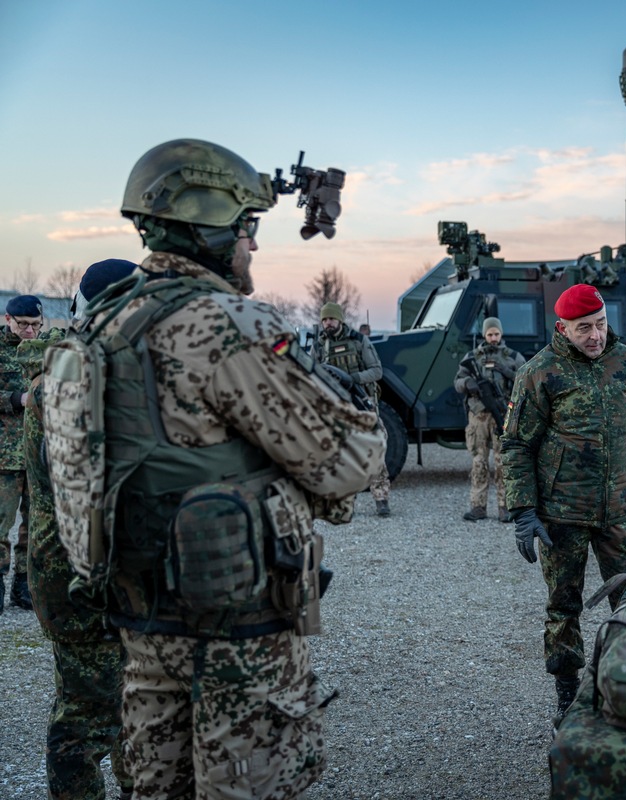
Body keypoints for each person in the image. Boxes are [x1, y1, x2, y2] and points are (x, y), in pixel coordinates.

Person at [46, 138, 386, 800]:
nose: (252, 246)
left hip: (143, 625)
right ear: (210, 227)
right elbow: (347, 463)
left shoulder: (104, 325)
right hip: (237, 628)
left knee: (156, 787)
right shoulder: (223, 325)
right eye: (245, 229)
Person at [501, 283, 626, 717]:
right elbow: (516, 445)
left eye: (600, 324)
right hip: (562, 512)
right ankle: (566, 691)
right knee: (564, 604)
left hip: (619, 509)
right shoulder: (539, 372)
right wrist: (523, 511)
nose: (595, 336)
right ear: (562, 328)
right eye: (584, 329)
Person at [22, 259, 137, 800]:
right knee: (87, 710)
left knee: (134, 700)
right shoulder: (71, 372)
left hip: (108, 570)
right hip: (78, 576)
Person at [314, 301, 393, 516]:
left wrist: (353, 379)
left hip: (362, 401)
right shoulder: (319, 345)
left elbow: (377, 371)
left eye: (331, 318)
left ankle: (381, 498)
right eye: (324, 319)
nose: (327, 323)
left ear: (340, 319)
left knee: (374, 448)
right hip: (336, 406)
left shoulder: (359, 341)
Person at [454, 316, 525, 522]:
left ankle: (504, 507)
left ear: (501, 334)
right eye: (490, 334)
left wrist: (507, 372)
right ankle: (478, 506)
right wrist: (468, 383)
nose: (493, 338)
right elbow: (457, 381)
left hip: (503, 415)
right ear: (484, 334)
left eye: (496, 334)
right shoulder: (472, 357)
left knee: (503, 463)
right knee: (479, 461)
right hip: (478, 415)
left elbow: (527, 380)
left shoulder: (512, 356)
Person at [0, 293, 42, 611]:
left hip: (38, 453)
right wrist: (16, 398)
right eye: (23, 325)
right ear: (8, 320)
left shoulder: (48, 352)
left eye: (35, 326)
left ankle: (25, 587)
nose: (29, 331)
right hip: (4, 454)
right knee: (1, 523)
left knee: (35, 524)